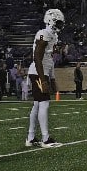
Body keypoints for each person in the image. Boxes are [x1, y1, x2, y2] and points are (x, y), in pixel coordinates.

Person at [26, 8, 64, 148]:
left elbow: (48, 59)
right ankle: (45, 138)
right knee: (44, 103)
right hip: (38, 72)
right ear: (51, 20)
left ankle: (30, 138)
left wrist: (52, 78)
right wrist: (43, 79)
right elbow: (37, 57)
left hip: (43, 72)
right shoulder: (44, 34)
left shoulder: (52, 36)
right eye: (58, 22)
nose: (60, 25)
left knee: (37, 104)